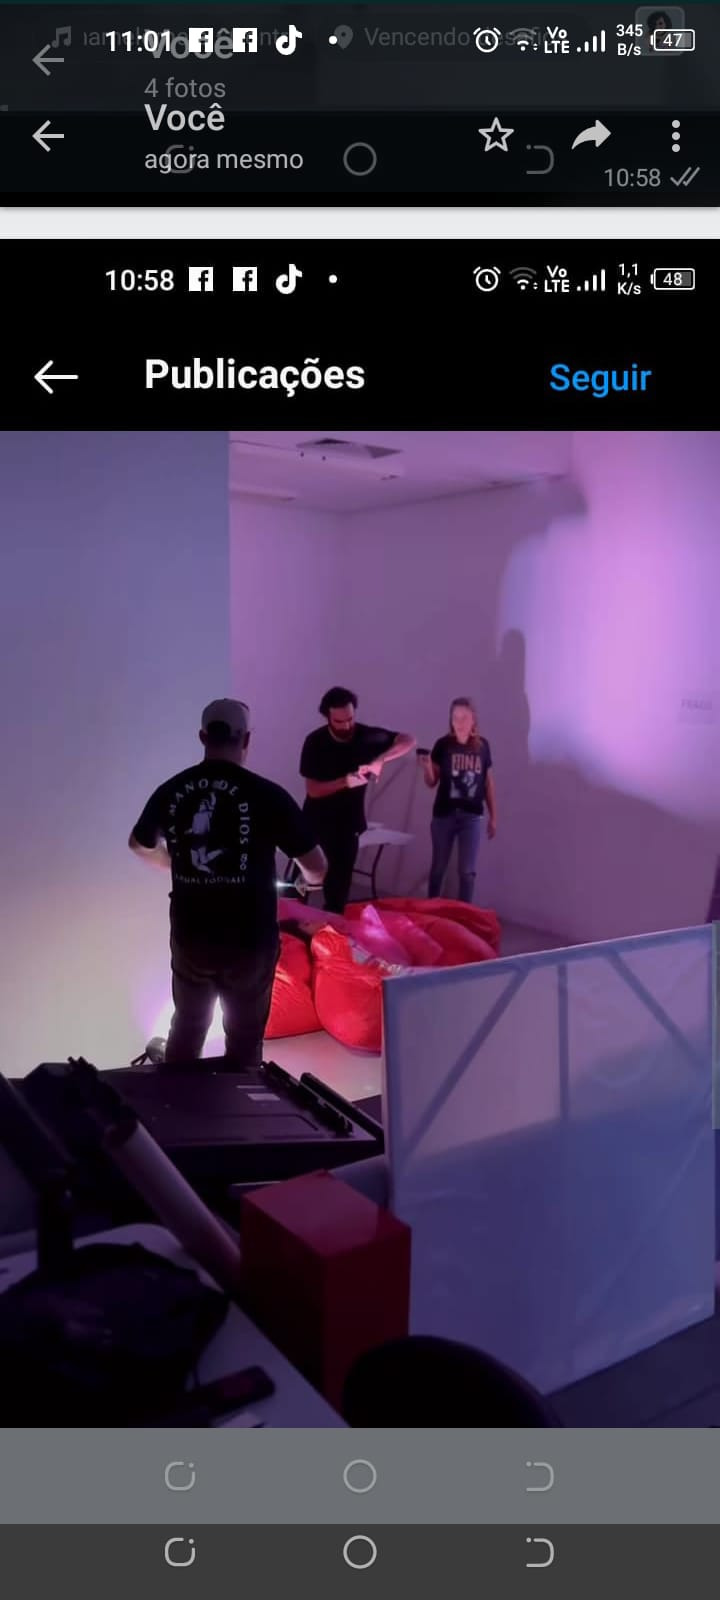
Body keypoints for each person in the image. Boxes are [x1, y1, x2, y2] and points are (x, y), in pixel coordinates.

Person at [128, 698, 326, 1070]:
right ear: (246, 739)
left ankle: (177, 1101)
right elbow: (317, 867)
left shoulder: (173, 789)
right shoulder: (268, 794)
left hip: (192, 935)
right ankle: (239, 1099)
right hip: (249, 940)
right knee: (245, 1038)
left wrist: (171, 862)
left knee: (187, 1028)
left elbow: (138, 844)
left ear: (203, 737)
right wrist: (309, 882)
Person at [300, 687, 416, 912]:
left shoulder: (366, 736)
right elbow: (313, 790)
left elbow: (408, 740)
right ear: (327, 717)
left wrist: (381, 759)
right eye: (339, 721)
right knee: (302, 884)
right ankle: (288, 925)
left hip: (348, 825)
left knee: (338, 890)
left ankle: (332, 927)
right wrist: (345, 782)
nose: (346, 726)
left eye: (350, 719)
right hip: (316, 821)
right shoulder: (315, 742)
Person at [420, 697, 497, 903]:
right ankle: (431, 910)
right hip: (444, 815)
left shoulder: (483, 747)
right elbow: (431, 782)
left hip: (471, 817)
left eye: (464, 717)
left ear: (473, 719)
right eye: (455, 717)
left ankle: (464, 914)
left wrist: (493, 817)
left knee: (467, 871)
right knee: (438, 868)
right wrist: (427, 766)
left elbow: (488, 783)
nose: (459, 722)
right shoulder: (443, 745)